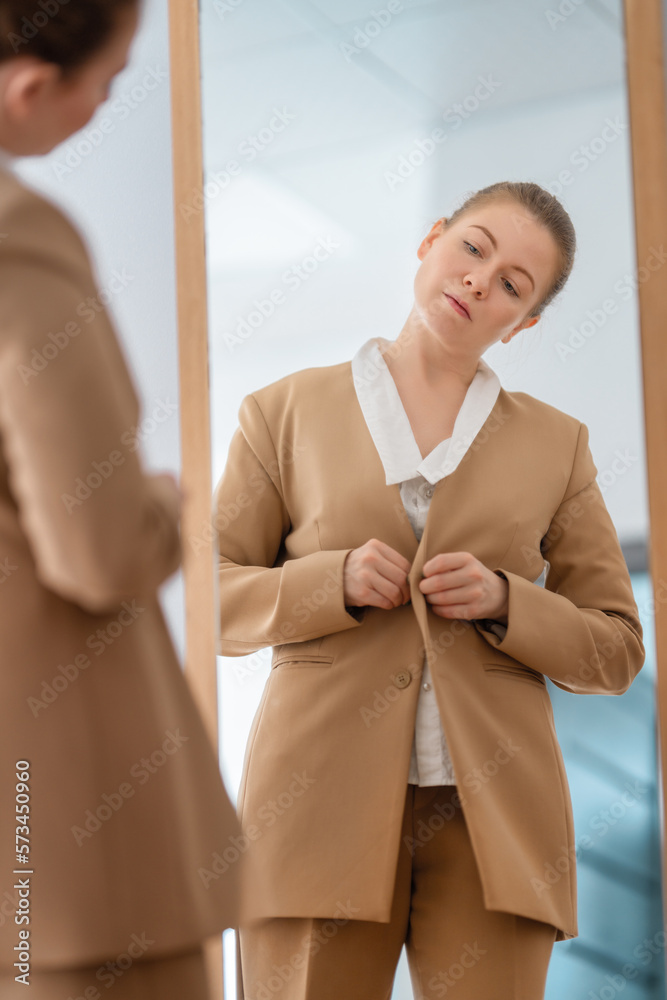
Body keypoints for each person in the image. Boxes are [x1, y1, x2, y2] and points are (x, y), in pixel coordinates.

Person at [213, 180, 645, 1000]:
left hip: (497, 829)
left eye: (514, 285)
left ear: (524, 325)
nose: (482, 280)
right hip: (312, 806)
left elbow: (616, 649)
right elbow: (207, 595)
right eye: (473, 248)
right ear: (431, 242)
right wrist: (326, 582)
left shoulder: (559, 447)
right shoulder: (281, 413)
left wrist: (507, 602)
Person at [0, 2, 241, 997]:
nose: (105, 104)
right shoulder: (19, 238)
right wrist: (159, 501)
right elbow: (96, 547)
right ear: (28, 88)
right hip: (69, 840)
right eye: (110, 79)